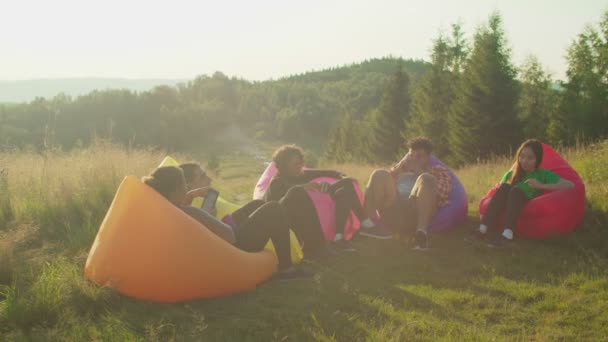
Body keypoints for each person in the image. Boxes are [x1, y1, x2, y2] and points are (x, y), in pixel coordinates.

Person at [142, 166, 310, 280]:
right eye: (184, 185)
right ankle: (286, 269)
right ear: (176, 189)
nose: (186, 188)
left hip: (218, 243)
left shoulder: (168, 210)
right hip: (235, 246)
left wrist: (190, 198)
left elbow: (188, 221)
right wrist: (209, 217)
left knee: (258, 205)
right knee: (273, 209)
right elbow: (229, 236)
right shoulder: (191, 212)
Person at [467, 139, 574, 247]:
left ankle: (508, 234)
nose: (524, 161)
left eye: (530, 158)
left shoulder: (543, 174)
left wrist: (541, 185)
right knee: (505, 187)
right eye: (522, 156)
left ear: (538, 159)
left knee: (516, 190)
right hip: (510, 203)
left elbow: (569, 185)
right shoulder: (512, 174)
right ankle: (482, 229)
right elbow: (498, 192)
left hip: (527, 202)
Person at [265, 145, 368, 253]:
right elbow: (288, 194)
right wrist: (304, 187)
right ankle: (362, 224)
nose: (300, 167)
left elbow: (329, 172)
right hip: (287, 224)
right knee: (299, 191)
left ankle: (340, 236)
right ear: (283, 166)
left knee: (346, 185)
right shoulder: (276, 182)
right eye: (295, 164)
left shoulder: (300, 174)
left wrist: (343, 177)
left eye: (301, 163)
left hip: (306, 217)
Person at [362, 137, 453, 250]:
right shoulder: (400, 169)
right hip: (395, 207)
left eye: (419, 156)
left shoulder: (437, 170)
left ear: (428, 158)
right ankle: (367, 225)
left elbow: (441, 193)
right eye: (411, 155)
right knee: (379, 174)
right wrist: (397, 170)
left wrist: (419, 171)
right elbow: (378, 187)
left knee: (426, 178)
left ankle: (421, 236)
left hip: (415, 209)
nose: (414, 159)